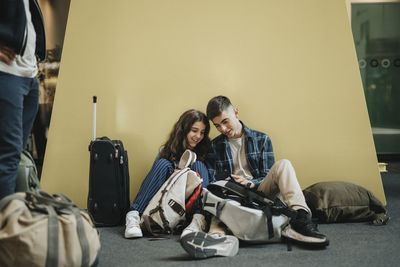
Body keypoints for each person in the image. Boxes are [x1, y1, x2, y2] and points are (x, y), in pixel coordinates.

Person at [180, 95, 329, 258]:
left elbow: (267, 175)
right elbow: (214, 184)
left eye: (225, 121)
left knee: (283, 164)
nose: (222, 129)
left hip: (259, 193)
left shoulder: (262, 139)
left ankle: (301, 219)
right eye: (217, 126)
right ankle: (218, 241)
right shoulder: (214, 146)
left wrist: (251, 183)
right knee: (217, 209)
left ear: (236, 113)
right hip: (231, 199)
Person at [125, 109, 211, 238]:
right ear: (184, 130)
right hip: (166, 204)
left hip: (189, 208)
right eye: (194, 130)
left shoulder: (205, 152)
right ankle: (133, 216)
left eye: (202, 133)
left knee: (199, 165)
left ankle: (199, 220)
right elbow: (155, 185)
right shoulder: (166, 151)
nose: (198, 136)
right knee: (163, 164)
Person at [0, 0, 46, 200]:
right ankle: (6, 225)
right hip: (6, 73)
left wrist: (35, 55)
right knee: (8, 156)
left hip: (29, 77)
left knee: (15, 155)